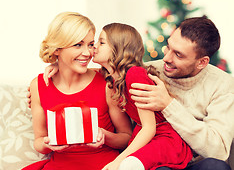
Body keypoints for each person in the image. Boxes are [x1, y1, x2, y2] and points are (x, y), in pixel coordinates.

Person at [23, 12, 132, 170]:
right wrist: (49, 144)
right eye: (78, 45)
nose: (88, 53)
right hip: (60, 165)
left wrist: (104, 135)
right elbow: (39, 141)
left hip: (104, 165)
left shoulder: (106, 83)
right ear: (57, 49)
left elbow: (126, 137)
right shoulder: (38, 85)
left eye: (90, 44)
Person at [128, 16, 234, 170]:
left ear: (202, 62)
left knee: (215, 167)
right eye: (168, 47)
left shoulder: (222, 86)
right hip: (158, 160)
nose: (166, 58)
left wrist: (168, 105)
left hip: (196, 164)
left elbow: (218, 150)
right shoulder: (149, 71)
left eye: (178, 55)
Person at [91, 23, 193, 170]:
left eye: (101, 42)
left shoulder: (135, 75)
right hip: (147, 137)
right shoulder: (113, 78)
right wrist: (56, 66)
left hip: (163, 139)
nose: (95, 46)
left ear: (118, 47)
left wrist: (118, 161)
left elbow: (149, 128)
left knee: (127, 165)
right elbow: (79, 71)